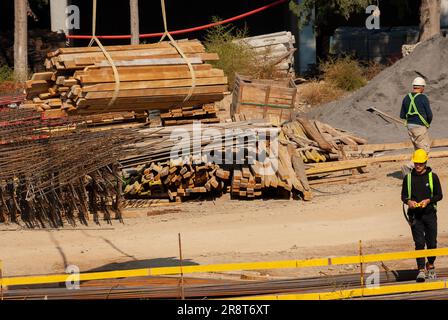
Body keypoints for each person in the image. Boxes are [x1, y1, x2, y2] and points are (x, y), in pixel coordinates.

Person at [401, 149, 443, 282]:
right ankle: (420, 270)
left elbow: (439, 195)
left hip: (430, 215)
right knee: (419, 243)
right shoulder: (408, 178)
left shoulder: (432, 177)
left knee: (432, 243)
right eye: (416, 163)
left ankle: (430, 265)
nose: (418, 166)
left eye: (420, 163)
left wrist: (428, 201)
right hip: (415, 216)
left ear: (425, 162)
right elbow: (403, 196)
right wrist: (409, 202)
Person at [400, 77, 433, 176]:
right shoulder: (423, 98)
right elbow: (429, 115)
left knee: (418, 150)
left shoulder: (406, 97)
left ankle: (418, 172)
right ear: (422, 87)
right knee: (424, 150)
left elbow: (402, 115)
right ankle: (409, 166)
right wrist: (427, 124)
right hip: (419, 127)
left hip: (410, 127)